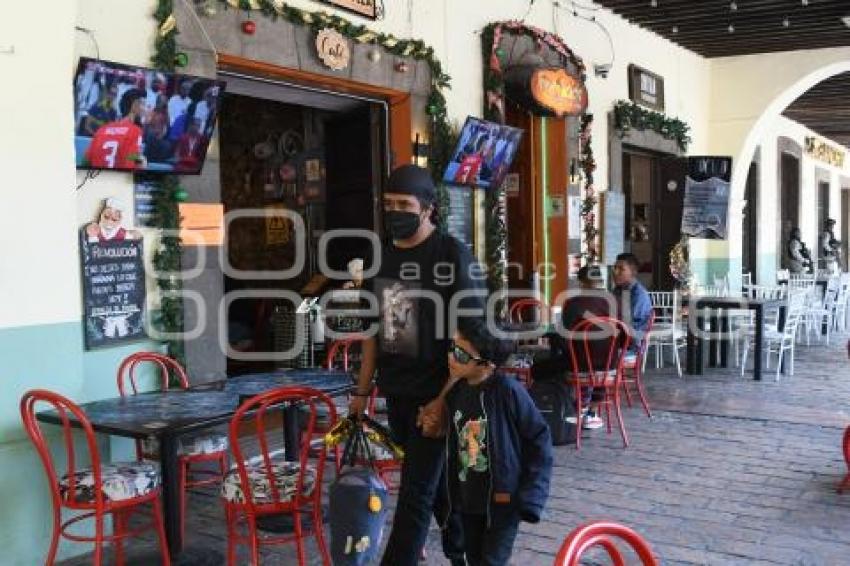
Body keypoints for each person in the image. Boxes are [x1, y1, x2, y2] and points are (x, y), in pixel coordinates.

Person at [349, 164, 485, 566]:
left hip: (443, 392)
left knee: (415, 493)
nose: (394, 212)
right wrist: (361, 392)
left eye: (404, 204)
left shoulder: (451, 254)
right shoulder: (380, 256)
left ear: (428, 209)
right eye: (388, 204)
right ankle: (461, 549)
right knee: (432, 482)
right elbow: (373, 333)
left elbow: (471, 338)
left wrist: (444, 400)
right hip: (398, 391)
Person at [441, 325, 552, 566]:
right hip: (467, 498)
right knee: (473, 558)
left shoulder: (508, 392)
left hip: (503, 500)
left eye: (460, 354)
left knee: (491, 561)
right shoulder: (456, 391)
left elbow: (539, 439)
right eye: (451, 349)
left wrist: (533, 495)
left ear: (487, 363)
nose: (451, 358)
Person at [558, 265, 616, 430]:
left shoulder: (573, 303)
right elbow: (629, 339)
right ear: (601, 281)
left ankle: (570, 408)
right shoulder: (615, 302)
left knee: (543, 368)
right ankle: (590, 410)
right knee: (598, 358)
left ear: (581, 283)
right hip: (609, 368)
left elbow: (564, 340)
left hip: (580, 366)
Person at [85, 88, 147, 169]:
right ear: (134, 106)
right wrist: (141, 159)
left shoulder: (102, 129)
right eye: (143, 105)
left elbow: (86, 160)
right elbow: (130, 159)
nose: (144, 110)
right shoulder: (135, 131)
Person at [612, 253, 652, 347]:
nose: (615, 272)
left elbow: (629, 325)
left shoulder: (639, 294)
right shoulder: (618, 289)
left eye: (621, 269)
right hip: (619, 337)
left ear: (633, 272)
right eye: (615, 268)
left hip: (631, 345)